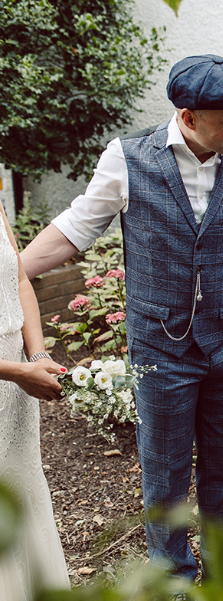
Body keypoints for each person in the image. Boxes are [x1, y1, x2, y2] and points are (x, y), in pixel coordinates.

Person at [20, 55, 223, 581]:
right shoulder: (128, 158)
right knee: (164, 472)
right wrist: (13, 268)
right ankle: (174, 579)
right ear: (187, 116)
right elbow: (77, 227)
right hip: (161, 347)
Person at [0, 202, 70, 600]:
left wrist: (37, 354)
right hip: (10, 374)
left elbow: (20, 280)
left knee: (21, 488)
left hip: (16, 386)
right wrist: (16, 371)